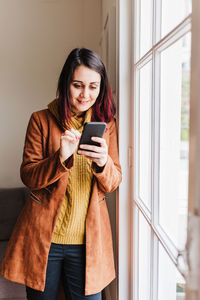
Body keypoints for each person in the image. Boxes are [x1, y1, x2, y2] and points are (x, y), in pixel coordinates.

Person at [0, 48, 122, 300]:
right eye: (78, 85)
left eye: (93, 86)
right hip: (45, 240)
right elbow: (29, 176)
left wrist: (102, 163)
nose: (85, 94)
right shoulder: (40, 120)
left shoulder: (106, 125)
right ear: (66, 83)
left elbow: (113, 182)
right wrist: (59, 159)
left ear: (101, 88)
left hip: (89, 242)